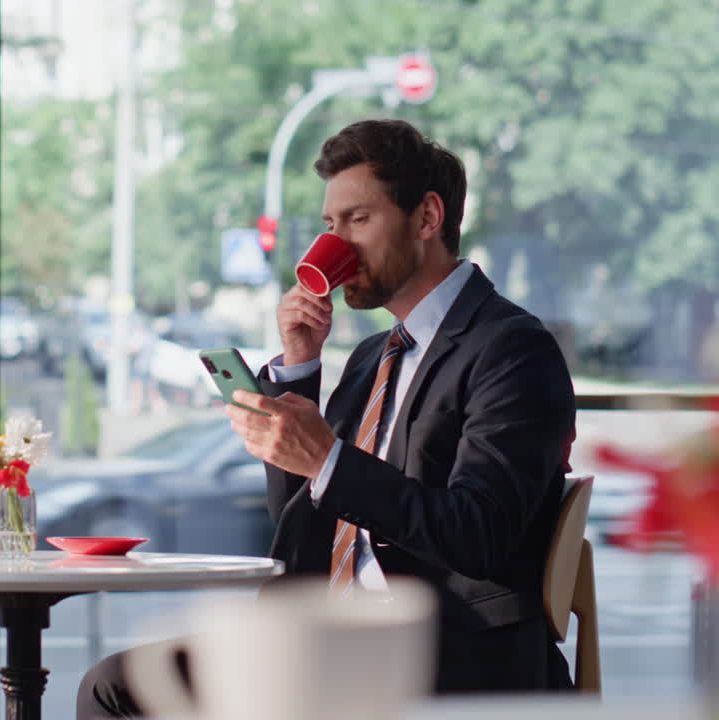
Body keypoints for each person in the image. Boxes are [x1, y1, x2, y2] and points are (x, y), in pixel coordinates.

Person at [77, 119, 576, 718]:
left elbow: (479, 534)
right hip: (324, 639)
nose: (336, 246)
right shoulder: (372, 357)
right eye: (329, 226)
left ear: (427, 218)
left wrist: (325, 457)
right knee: (113, 686)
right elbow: (300, 523)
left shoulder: (510, 348)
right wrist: (298, 370)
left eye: (358, 220)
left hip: (441, 649)